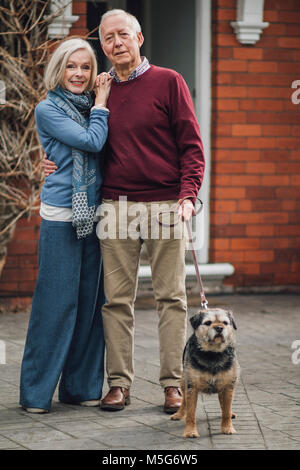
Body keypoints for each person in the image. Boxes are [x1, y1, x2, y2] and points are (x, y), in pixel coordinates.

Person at [43, 9, 205, 414]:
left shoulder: (170, 82)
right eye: (107, 38)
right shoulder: (99, 90)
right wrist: (44, 161)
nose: (115, 43)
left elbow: (192, 145)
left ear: (139, 38)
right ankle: (118, 385)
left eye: (122, 35)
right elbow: (71, 136)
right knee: (116, 301)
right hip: (114, 206)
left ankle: (173, 386)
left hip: (167, 204)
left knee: (172, 299)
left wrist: (188, 195)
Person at [19, 38, 111, 413]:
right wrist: (103, 105)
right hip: (61, 215)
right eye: (71, 66)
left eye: (86, 67)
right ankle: (36, 394)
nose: (78, 73)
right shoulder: (48, 108)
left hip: (98, 213)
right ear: (59, 69)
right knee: (56, 305)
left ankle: (81, 387)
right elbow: (91, 141)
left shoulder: (94, 106)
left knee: (91, 305)